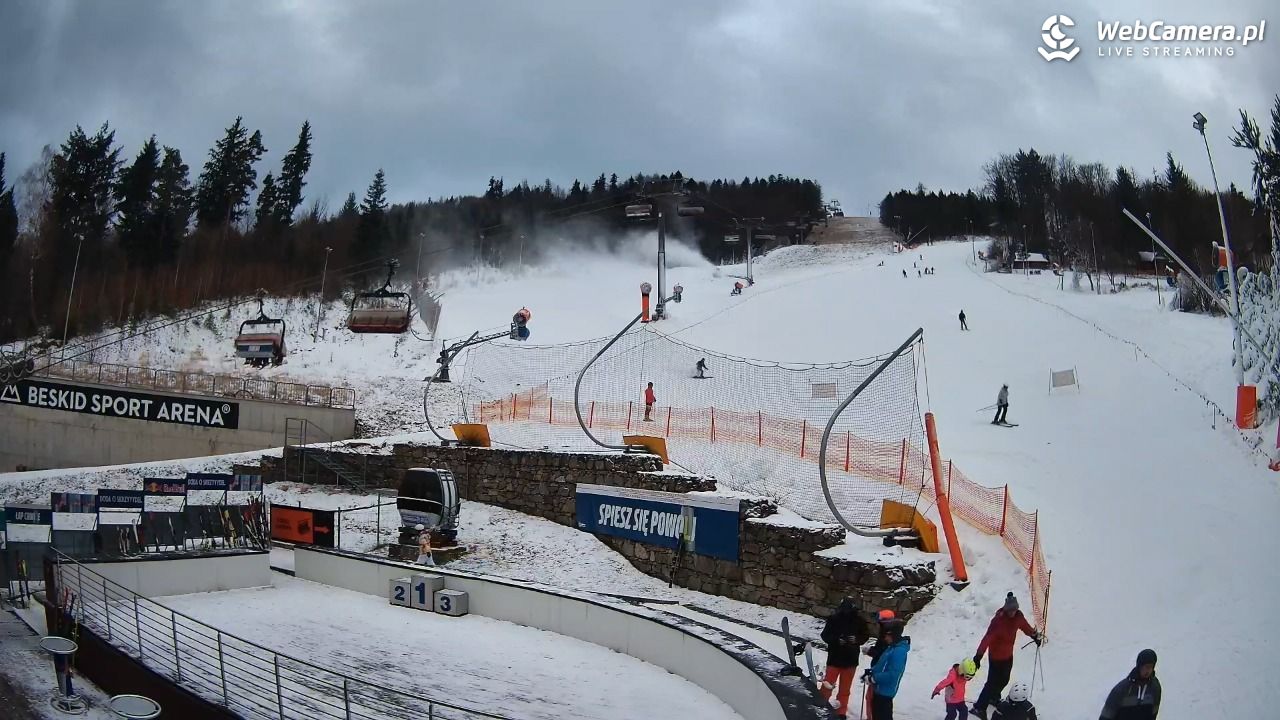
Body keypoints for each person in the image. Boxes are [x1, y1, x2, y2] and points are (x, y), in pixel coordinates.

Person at [971, 593, 1040, 719]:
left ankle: (993, 697)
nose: (1013, 612)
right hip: (996, 657)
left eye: (1014, 610)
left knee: (1004, 680)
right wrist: (978, 656)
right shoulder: (998, 621)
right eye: (1010, 610)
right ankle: (979, 707)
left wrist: (1034, 635)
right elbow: (987, 639)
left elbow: (1025, 627)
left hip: (1008, 656)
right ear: (1006, 609)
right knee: (991, 682)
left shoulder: (1018, 617)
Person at [820, 598, 871, 718]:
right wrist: (837, 640)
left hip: (849, 660)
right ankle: (821, 706)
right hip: (835, 658)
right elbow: (825, 635)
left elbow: (865, 635)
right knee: (828, 686)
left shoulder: (859, 621)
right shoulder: (833, 619)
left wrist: (856, 639)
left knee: (844, 689)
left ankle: (841, 712)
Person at [1099, 649, 1161, 719]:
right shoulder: (1122, 689)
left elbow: (1153, 714)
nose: (1148, 670)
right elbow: (1107, 714)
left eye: (1150, 667)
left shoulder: (1155, 688)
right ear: (1139, 666)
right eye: (1145, 666)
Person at [866, 620, 910, 720]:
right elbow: (881, 665)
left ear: (893, 635)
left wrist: (874, 678)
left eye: (887, 635)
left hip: (885, 692)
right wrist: (871, 673)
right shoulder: (891, 648)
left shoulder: (899, 651)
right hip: (879, 689)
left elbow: (893, 674)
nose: (885, 638)